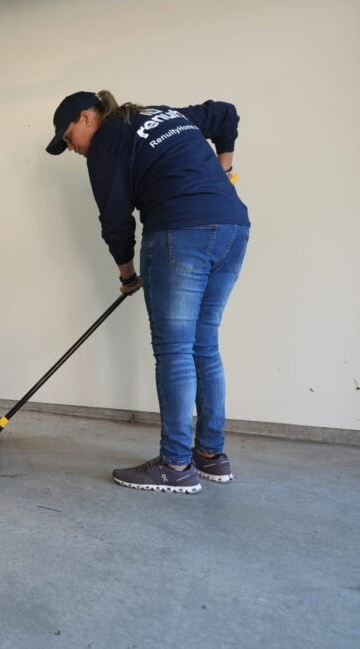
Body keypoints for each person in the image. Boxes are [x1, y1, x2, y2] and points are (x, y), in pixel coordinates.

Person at [46, 90, 249, 494]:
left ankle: (175, 465)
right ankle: (211, 455)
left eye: (68, 137)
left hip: (181, 230)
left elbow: (115, 219)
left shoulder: (106, 142)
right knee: (203, 344)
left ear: (86, 118)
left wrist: (126, 274)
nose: (71, 148)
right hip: (232, 227)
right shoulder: (163, 114)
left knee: (175, 349)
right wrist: (224, 169)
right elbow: (225, 114)